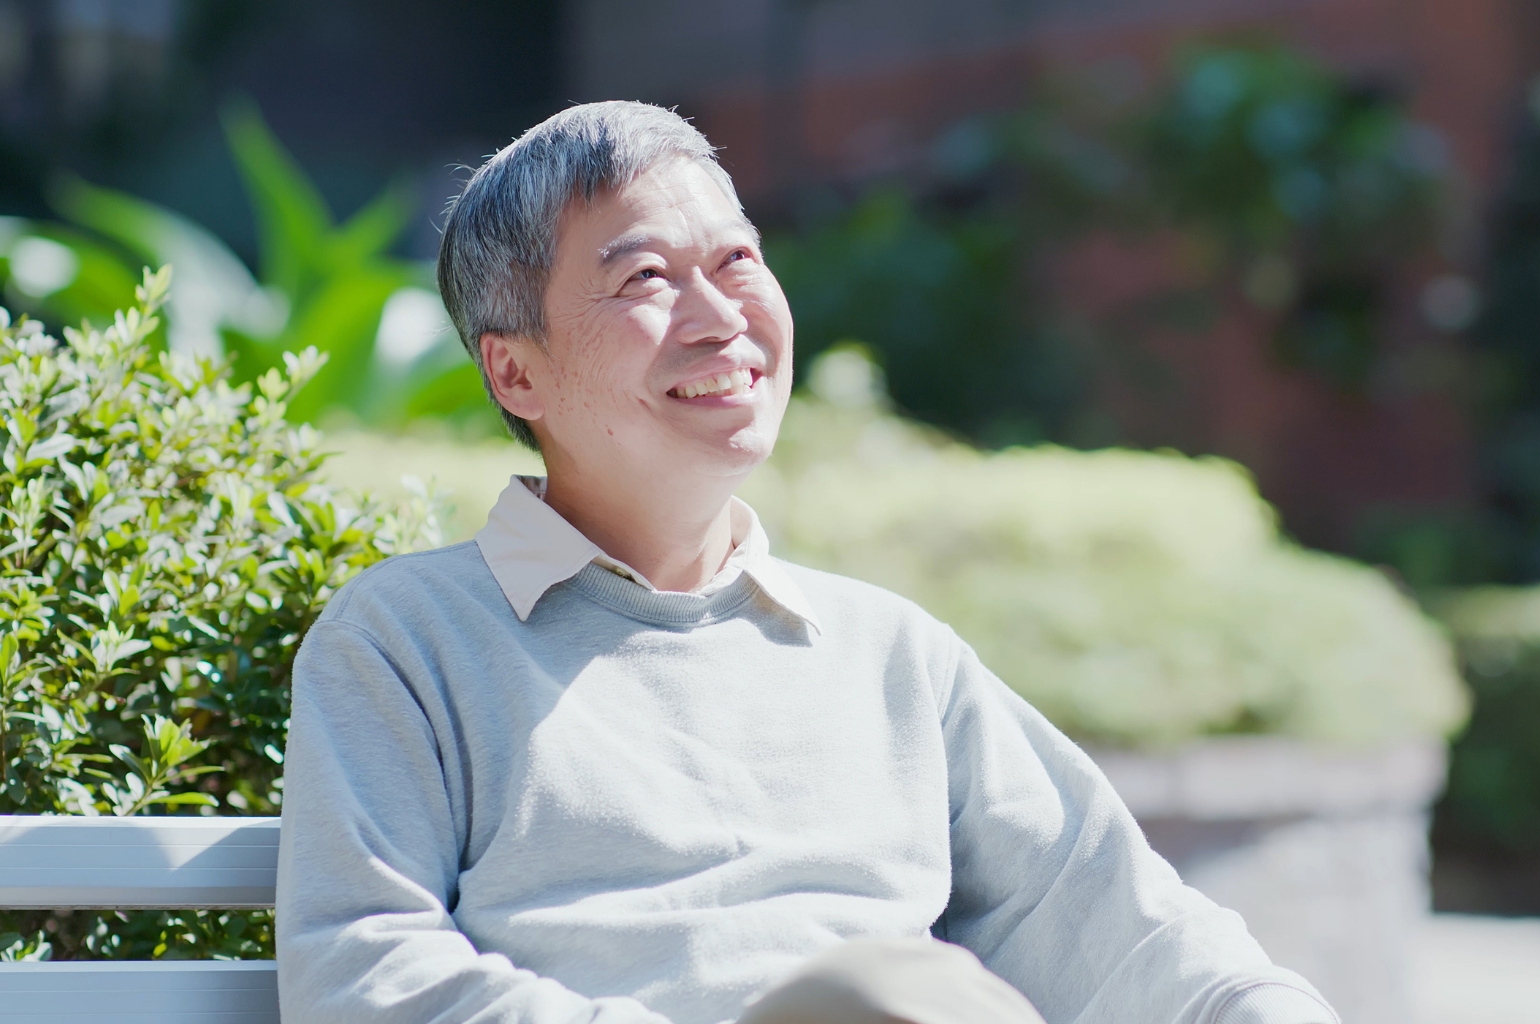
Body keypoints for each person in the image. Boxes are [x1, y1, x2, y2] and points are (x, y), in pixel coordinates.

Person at [274, 100, 1337, 1024]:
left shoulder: (890, 657)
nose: (721, 315)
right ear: (514, 372)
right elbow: (364, 977)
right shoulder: (405, 641)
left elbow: (1126, 932)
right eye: (645, 276)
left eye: (737, 259)